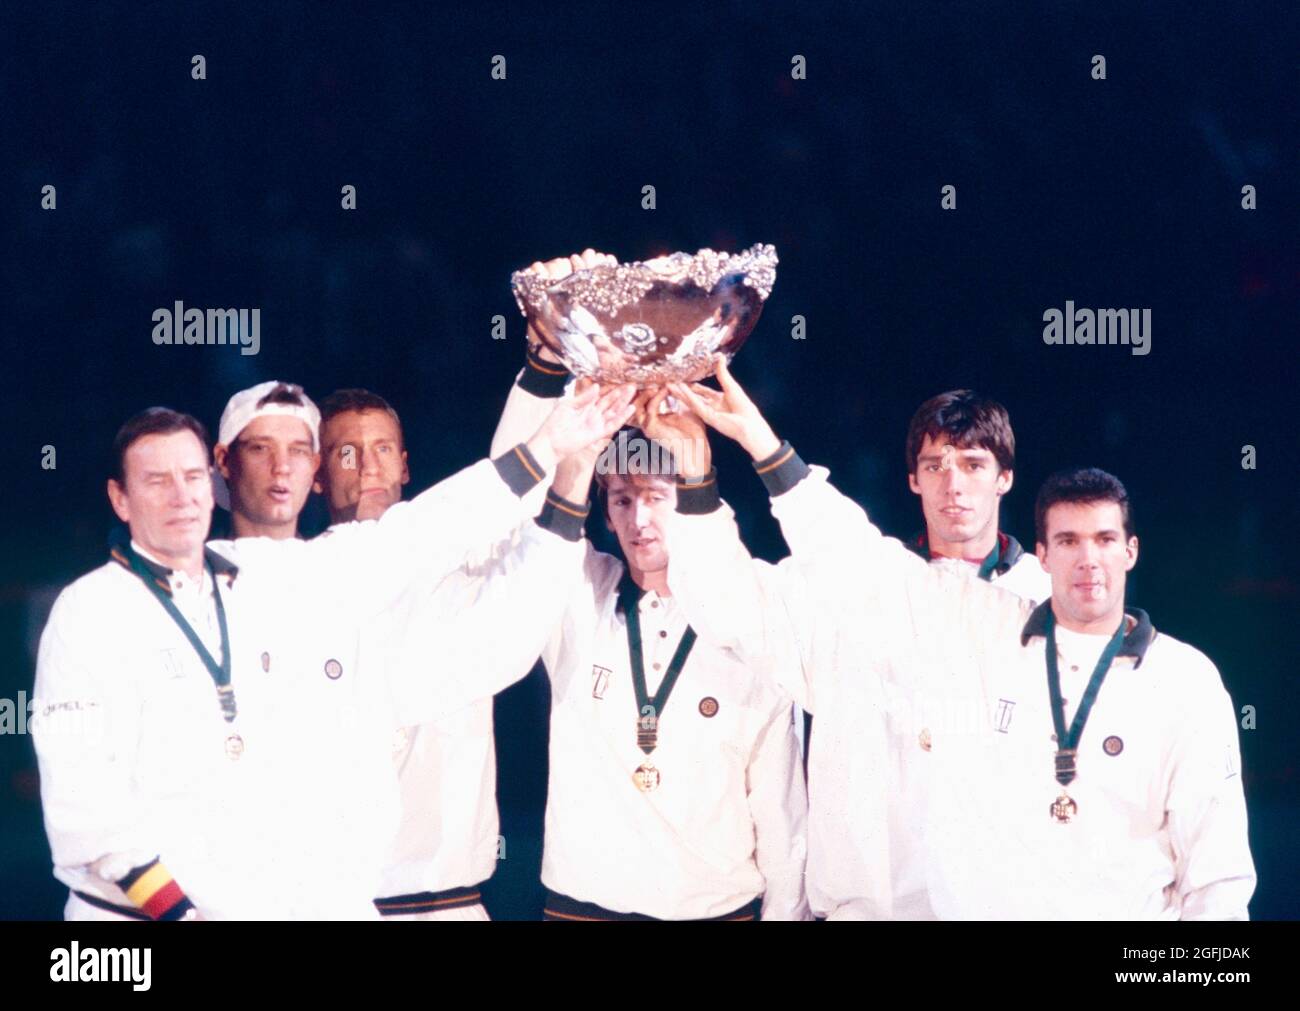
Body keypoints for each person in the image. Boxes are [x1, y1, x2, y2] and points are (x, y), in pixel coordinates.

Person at [663, 359, 1257, 919]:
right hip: (864, 906)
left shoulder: (1041, 615)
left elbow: (1206, 863)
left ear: (1006, 479)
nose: (954, 485)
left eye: (973, 464)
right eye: (935, 465)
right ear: (913, 480)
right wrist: (701, 471)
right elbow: (727, 599)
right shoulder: (855, 589)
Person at [32, 383, 636, 920]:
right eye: (157, 481)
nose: (182, 497)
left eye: (189, 478)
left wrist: (553, 446)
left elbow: (425, 531)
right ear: (120, 497)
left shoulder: (294, 575)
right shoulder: (91, 612)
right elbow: (87, 810)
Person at [212, 381, 321, 539]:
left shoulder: (338, 562)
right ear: (224, 460)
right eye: (260, 448)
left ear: (314, 466)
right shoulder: (195, 563)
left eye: (298, 450)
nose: (282, 467)